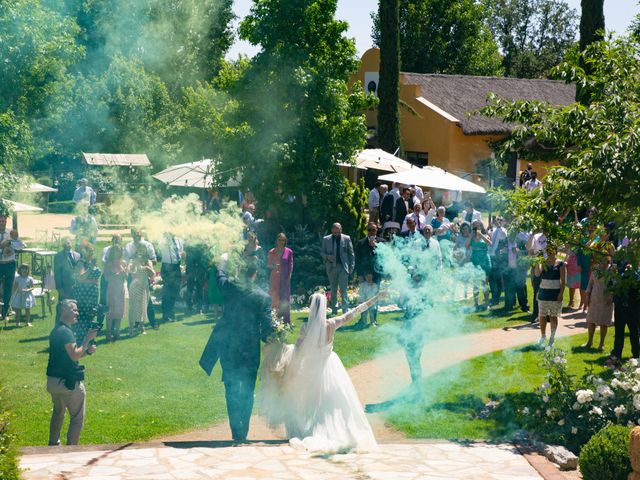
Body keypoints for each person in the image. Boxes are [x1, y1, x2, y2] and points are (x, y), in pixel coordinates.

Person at [282, 293, 378, 452]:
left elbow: (298, 350)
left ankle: (312, 429)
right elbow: (353, 313)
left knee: (310, 401)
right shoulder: (332, 324)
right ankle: (335, 430)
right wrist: (375, 299)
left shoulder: (305, 327)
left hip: (311, 368)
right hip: (330, 365)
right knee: (334, 403)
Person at [199, 261, 272, 443]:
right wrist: (275, 335)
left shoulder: (230, 288)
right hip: (250, 349)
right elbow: (268, 329)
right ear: (255, 274)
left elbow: (220, 277)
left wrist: (221, 264)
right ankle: (243, 433)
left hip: (229, 346)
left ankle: (235, 432)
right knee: (247, 389)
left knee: (231, 388)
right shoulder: (263, 297)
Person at [46, 299, 97, 446]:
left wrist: (87, 352)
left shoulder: (57, 330)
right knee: (77, 417)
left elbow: (70, 356)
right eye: (74, 310)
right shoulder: (66, 332)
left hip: (53, 382)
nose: (77, 313)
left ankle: (53, 444)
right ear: (63, 311)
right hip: (67, 383)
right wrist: (87, 339)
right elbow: (74, 355)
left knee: (58, 413)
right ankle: (72, 450)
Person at [609, 257, 640, 363]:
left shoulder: (636, 273)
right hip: (620, 306)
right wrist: (613, 275)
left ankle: (636, 354)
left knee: (634, 332)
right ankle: (617, 354)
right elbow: (611, 286)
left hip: (633, 307)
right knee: (619, 332)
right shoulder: (618, 272)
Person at [534, 245, 566, 348]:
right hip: (543, 293)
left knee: (553, 316)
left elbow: (563, 281)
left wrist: (561, 294)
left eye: (552, 251)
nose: (550, 253)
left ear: (556, 251)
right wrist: (537, 262)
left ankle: (552, 338)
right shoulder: (543, 262)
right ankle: (543, 336)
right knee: (542, 316)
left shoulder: (560, 264)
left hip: (555, 294)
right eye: (548, 251)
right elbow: (537, 274)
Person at [321, 223, 355, 314]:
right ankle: (334, 309)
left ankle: (345, 310)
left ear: (341, 230)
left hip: (343, 267)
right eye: (334, 232)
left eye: (338, 232)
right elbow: (322, 253)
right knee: (333, 289)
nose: (336, 233)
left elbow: (351, 254)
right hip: (332, 267)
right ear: (332, 230)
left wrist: (351, 267)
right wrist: (327, 257)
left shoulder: (346, 238)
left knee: (344, 289)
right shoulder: (326, 239)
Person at [355, 223, 383, 327]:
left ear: (377, 231)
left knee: (374, 298)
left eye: (374, 230)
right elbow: (358, 260)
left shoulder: (381, 242)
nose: (372, 232)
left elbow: (385, 257)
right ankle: (363, 320)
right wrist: (362, 274)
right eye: (370, 230)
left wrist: (376, 246)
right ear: (367, 230)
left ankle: (373, 320)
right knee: (363, 298)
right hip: (364, 275)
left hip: (376, 276)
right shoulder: (361, 243)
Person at [582, 256, 613, 351]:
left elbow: (614, 285)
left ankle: (601, 343)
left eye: (604, 262)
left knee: (604, 322)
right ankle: (589, 341)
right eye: (600, 261)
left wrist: (611, 297)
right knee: (591, 321)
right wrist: (587, 296)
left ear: (608, 262)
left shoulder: (612, 271)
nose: (602, 264)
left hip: (606, 300)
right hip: (594, 298)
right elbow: (590, 283)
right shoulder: (595, 269)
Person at [71, 250, 101, 344]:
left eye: (92, 251)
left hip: (93, 293)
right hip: (83, 293)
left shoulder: (94, 262)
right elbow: (80, 278)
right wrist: (90, 268)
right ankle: (80, 338)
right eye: (90, 252)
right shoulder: (81, 263)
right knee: (82, 314)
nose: (92, 253)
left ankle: (90, 338)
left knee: (91, 313)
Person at [127, 246, 155, 335]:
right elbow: (130, 271)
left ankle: (142, 327)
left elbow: (152, 274)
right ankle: (131, 328)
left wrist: (147, 267)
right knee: (133, 307)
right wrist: (135, 264)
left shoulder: (148, 262)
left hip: (144, 286)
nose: (140, 255)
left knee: (143, 306)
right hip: (135, 285)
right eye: (139, 252)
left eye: (142, 253)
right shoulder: (132, 261)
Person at [268, 233, 294, 325]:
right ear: (276, 240)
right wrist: (273, 266)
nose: (281, 242)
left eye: (283, 240)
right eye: (279, 240)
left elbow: (291, 265)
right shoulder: (272, 251)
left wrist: (289, 277)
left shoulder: (289, 251)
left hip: (285, 278)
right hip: (274, 277)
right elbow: (268, 265)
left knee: (285, 299)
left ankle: (286, 321)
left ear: (285, 241)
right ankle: (275, 320)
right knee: (274, 298)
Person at [158, 232, 184, 323]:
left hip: (176, 266)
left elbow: (180, 252)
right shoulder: (163, 240)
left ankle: (171, 313)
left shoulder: (179, 240)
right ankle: (165, 315)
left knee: (175, 290)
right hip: (167, 266)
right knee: (167, 291)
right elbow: (160, 247)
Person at [54, 238, 81, 322]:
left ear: (71, 243)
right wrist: (59, 288)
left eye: (68, 243)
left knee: (74, 308)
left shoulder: (77, 255)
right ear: (62, 245)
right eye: (65, 243)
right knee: (63, 308)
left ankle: (73, 327)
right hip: (64, 287)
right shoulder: (59, 256)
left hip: (76, 287)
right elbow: (57, 273)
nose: (67, 245)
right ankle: (59, 328)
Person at [467, 221, 492, 311]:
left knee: (485, 283)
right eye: (474, 227)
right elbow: (467, 246)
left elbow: (490, 243)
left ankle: (487, 303)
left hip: (485, 261)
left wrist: (481, 235)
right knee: (476, 284)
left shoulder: (485, 235)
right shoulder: (472, 237)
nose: (476, 229)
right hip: (475, 262)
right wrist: (471, 235)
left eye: (478, 227)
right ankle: (476, 304)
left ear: (481, 227)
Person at [104, 245, 126, 342]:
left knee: (119, 311)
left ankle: (117, 332)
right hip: (112, 288)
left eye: (119, 250)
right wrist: (116, 275)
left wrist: (124, 274)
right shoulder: (108, 263)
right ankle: (108, 333)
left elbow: (125, 278)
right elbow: (106, 278)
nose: (117, 252)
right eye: (115, 250)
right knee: (110, 311)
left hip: (120, 289)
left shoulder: (123, 263)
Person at [504, 230, 530, 312]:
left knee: (520, 288)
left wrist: (519, 252)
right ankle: (509, 305)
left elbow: (527, 252)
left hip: (519, 269)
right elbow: (498, 252)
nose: (511, 236)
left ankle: (524, 306)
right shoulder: (505, 242)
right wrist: (503, 251)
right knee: (509, 288)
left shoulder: (521, 243)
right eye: (509, 234)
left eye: (513, 234)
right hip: (508, 269)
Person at [0, 215, 19, 320]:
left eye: (3, 221)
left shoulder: (11, 233)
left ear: (6, 221)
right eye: (0, 221)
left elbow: (20, 245)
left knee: (8, 288)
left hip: (10, 264)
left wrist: (10, 243)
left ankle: (5, 312)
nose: (1, 222)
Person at [527, 231, 548, 322]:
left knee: (548, 290)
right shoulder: (536, 236)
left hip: (549, 265)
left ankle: (546, 314)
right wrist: (532, 235)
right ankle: (536, 314)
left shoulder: (553, 236)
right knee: (537, 291)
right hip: (537, 265)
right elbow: (528, 248)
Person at [488, 217, 508, 307]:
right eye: (497, 220)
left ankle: (496, 298)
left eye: (500, 220)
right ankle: (494, 297)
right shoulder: (493, 230)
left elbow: (503, 237)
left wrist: (499, 226)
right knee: (492, 279)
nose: (498, 222)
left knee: (498, 279)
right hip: (491, 256)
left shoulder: (503, 230)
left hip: (499, 257)